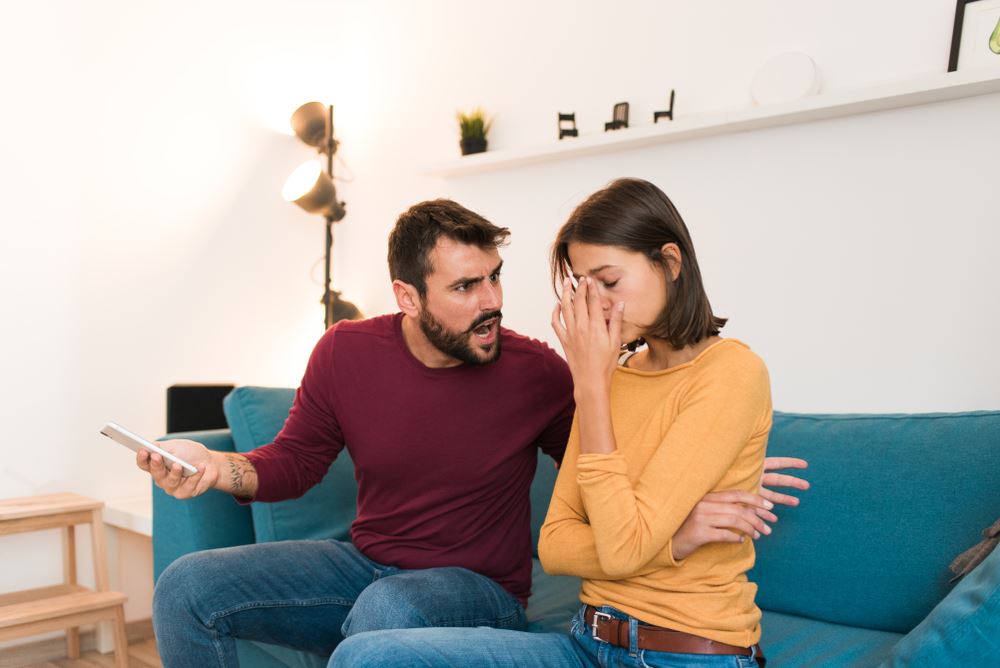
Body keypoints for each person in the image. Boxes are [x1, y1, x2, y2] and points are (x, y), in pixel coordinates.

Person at [140, 198, 805, 667]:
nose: (491, 301)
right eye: (465, 286)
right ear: (407, 297)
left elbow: (617, 471)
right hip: (366, 564)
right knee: (186, 586)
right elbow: (294, 461)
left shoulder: (541, 373)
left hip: (476, 587)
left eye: (495, 279)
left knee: (387, 616)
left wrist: (714, 474)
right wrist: (213, 467)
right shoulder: (345, 351)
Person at [330, 178, 781, 668]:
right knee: (367, 655)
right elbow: (557, 544)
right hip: (585, 645)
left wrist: (590, 388)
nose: (598, 305)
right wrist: (676, 537)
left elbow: (625, 546)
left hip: (687, 654)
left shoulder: (730, 372)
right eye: (584, 287)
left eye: (610, 282)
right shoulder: (611, 378)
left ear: (670, 263)